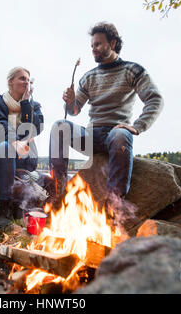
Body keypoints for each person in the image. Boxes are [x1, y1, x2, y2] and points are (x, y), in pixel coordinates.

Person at [49, 22, 164, 221]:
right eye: (92, 45)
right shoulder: (89, 77)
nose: (93, 49)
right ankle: (58, 190)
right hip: (91, 135)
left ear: (112, 43)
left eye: (98, 44)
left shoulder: (132, 70)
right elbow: (75, 110)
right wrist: (70, 102)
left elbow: (155, 99)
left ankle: (113, 205)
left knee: (121, 134)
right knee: (60, 126)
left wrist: (137, 127)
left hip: (116, 134)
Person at [0, 67, 44, 227]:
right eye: (22, 78)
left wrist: (26, 104)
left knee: (4, 146)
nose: (26, 82)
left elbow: (36, 128)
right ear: (10, 81)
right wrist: (15, 141)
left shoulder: (35, 105)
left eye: (28, 79)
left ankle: (4, 208)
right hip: (3, 149)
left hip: (25, 155)